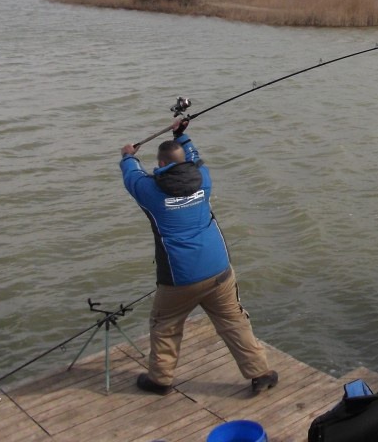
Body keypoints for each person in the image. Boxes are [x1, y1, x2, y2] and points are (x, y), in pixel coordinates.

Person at [119, 117, 278, 396]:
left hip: (179, 279)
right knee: (234, 321)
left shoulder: (151, 192)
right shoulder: (203, 179)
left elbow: (132, 175)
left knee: (165, 325)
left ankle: (160, 380)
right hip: (219, 270)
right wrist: (183, 135)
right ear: (182, 163)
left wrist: (128, 156)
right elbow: (194, 157)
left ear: (159, 166)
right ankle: (261, 373)